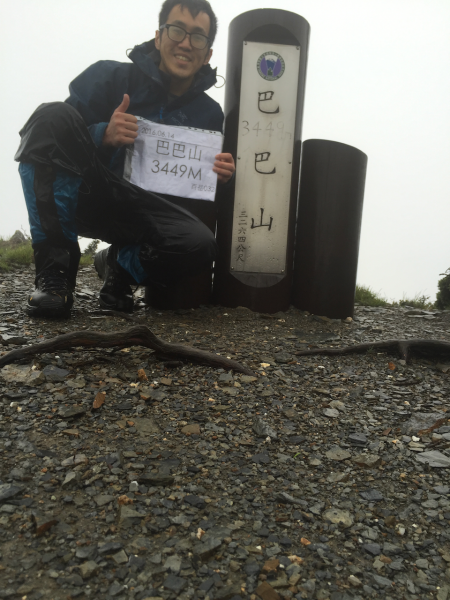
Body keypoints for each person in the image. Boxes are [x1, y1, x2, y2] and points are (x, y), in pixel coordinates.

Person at [15, 0, 235, 318]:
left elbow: (200, 187)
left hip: (147, 214)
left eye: (198, 36)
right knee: (50, 115)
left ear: (208, 53)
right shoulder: (108, 77)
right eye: (177, 30)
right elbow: (56, 136)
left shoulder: (210, 113)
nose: (186, 43)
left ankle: (119, 267)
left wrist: (223, 177)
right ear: (159, 37)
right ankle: (55, 277)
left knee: (200, 243)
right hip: (88, 194)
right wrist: (102, 134)